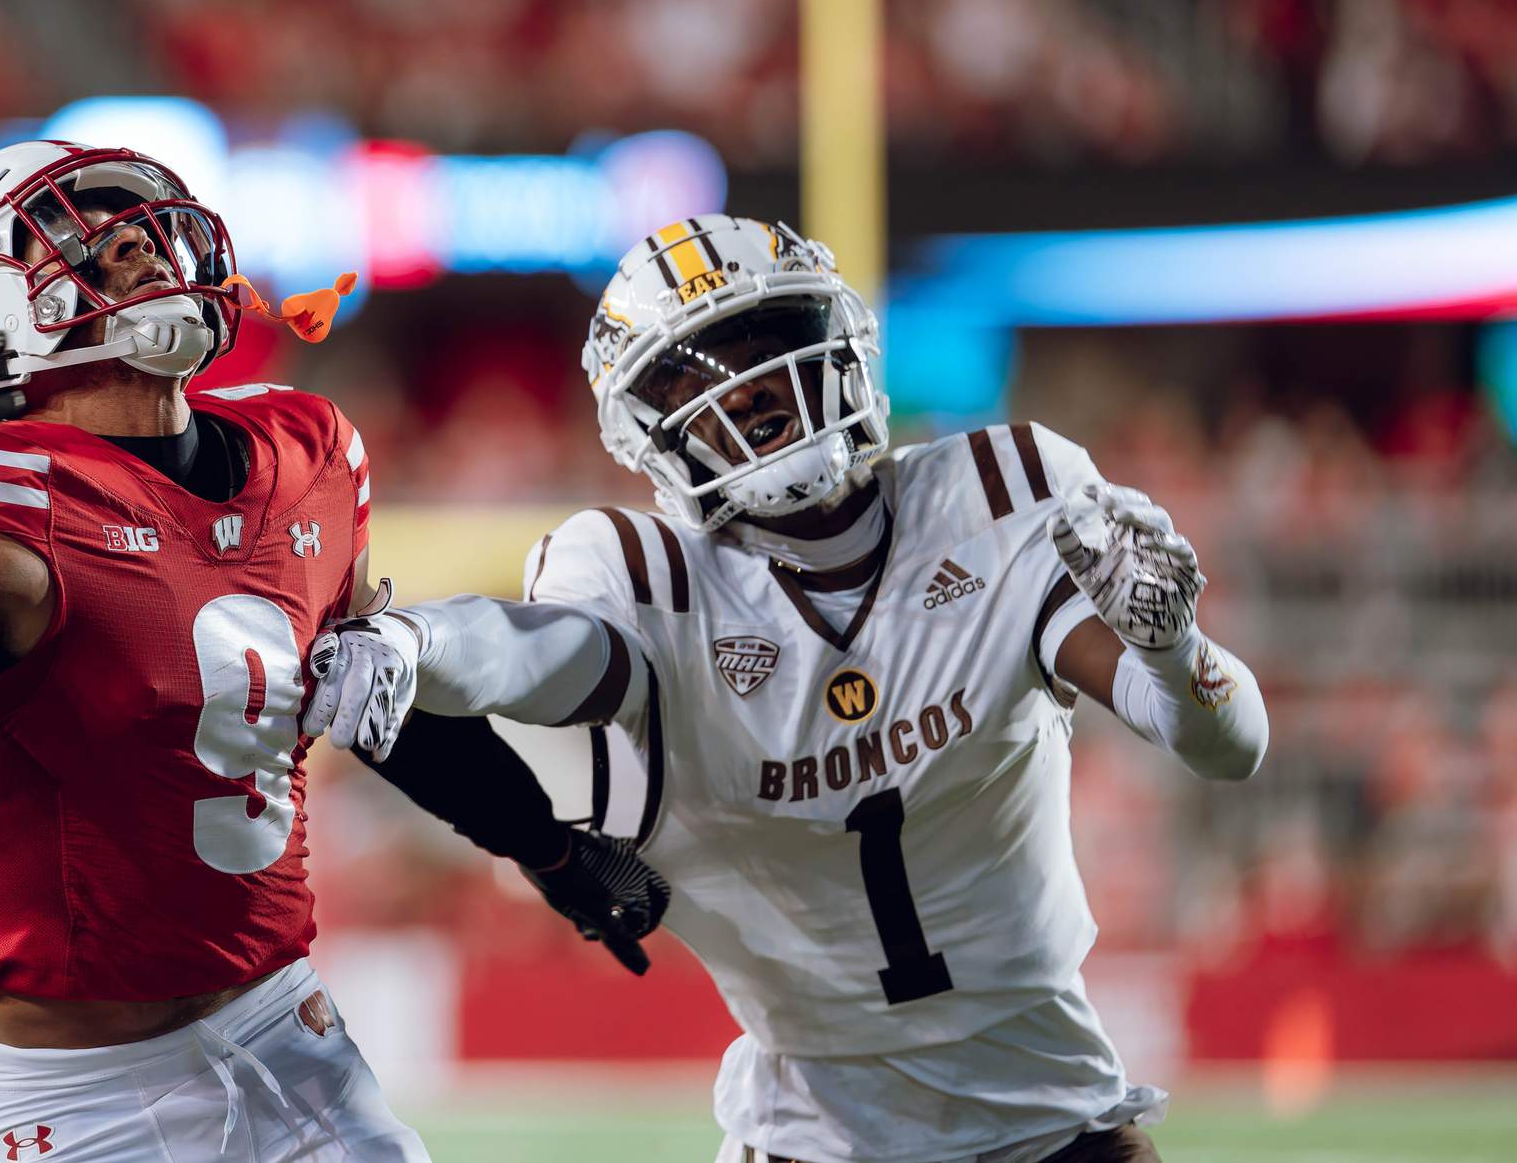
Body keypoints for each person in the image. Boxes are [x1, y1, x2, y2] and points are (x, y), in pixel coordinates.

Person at [305, 215, 1270, 1163]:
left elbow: (1228, 746)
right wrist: (413, 640)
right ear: (649, 432)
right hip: (815, 1143)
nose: (752, 391)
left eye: (769, 344)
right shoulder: (648, 576)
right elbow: (536, 655)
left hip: (1061, 1129)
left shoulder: (1000, 490)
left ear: (838, 341)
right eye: (695, 374)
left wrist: (1175, 647)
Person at [0, 138, 430, 1162]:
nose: (142, 248)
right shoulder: (1, 501)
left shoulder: (306, 450)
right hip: (79, 1096)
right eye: (96, 242)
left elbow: (359, 690)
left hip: (287, 1027)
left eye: (144, 228)